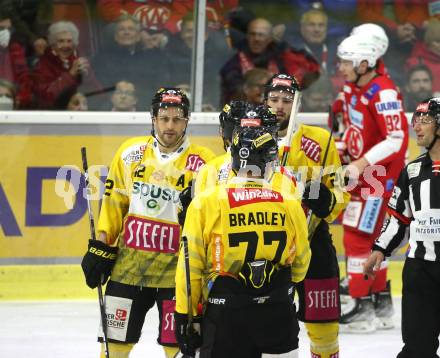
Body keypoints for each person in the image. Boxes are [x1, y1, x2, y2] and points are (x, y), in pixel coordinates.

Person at [80, 87, 215, 358]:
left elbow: (208, 221)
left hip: (177, 273)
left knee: (177, 348)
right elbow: (114, 204)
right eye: (163, 118)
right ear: (153, 118)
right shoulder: (130, 153)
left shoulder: (205, 163)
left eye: (177, 119)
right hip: (129, 268)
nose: (170, 125)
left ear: (187, 121)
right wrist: (101, 247)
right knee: (113, 346)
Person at [174, 125, 311, 357]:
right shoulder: (289, 203)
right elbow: (301, 262)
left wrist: (184, 314)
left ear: (234, 160)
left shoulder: (206, 201)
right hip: (277, 312)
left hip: (226, 315)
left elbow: (190, 265)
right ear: (270, 164)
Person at [265, 73, 349, 358]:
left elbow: (339, 192)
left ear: (297, 104)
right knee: (274, 329)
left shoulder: (320, 140)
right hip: (271, 249)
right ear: (264, 101)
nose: (279, 106)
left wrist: (326, 201)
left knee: (324, 326)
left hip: (314, 243)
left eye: (287, 101)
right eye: (274, 99)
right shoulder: (250, 140)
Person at [336, 34, 409, 332]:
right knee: (372, 239)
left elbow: (397, 139)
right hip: (365, 176)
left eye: (345, 61)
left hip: (377, 180)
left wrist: (360, 164)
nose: (340, 67)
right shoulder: (356, 86)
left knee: (357, 239)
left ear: (364, 63)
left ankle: (361, 306)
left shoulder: (384, 94)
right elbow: (355, 131)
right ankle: (380, 302)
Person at [364, 97, 440, 358]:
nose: (417, 127)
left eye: (426, 121)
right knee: (418, 347)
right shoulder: (413, 170)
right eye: (415, 121)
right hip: (420, 270)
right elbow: (398, 218)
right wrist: (379, 249)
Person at [33, 20, 101, 109]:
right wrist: (70, 75)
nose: (66, 45)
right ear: (53, 44)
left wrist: (87, 77)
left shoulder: (79, 62)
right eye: (61, 41)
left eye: (69, 41)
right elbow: (46, 98)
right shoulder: (43, 64)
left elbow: (98, 97)